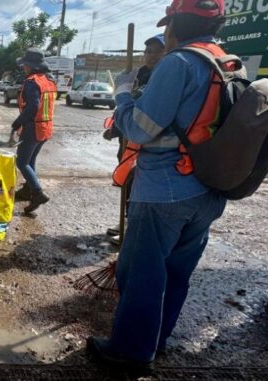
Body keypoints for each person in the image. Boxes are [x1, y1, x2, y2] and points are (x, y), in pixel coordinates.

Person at [86, 0, 229, 375]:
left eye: (167, 26)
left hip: (165, 190)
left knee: (140, 273)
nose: (165, 34)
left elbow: (139, 128)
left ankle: (130, 352)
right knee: (176, 271)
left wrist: (122, 96)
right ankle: (155, 339)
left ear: (176, 25)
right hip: (209, 189)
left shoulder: (179, 63)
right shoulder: (224, 63)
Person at [103, 33, 166, 244]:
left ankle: (132, 228)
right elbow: (124, 107)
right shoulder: (139, 75)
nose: (152, 55)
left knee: (139, 187)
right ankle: (125, 221)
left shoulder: (165, 78)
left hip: (149, 144)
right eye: (148, 51)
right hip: (129, 142)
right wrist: (115, 128)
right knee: (127, 183)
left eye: (158, 51)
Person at [10, 48, 57, 214]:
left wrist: (17, 122)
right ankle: (27, 190)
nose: (24, 68)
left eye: (25, 65)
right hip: (45, 128)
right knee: (30, 161)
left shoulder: (32, 82)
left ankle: (37, 192)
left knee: (21, 162)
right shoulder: (49, 80)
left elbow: (33, 107)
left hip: (33, 128)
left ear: (31, 66)